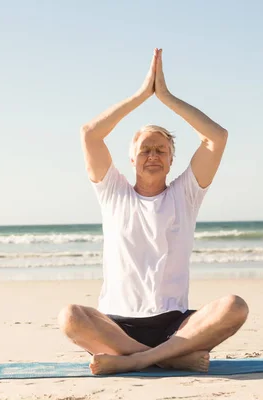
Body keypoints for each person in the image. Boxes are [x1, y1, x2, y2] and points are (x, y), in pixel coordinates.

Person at [58, 48, 249, 375]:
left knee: (234, 306)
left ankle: (140, 360)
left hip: (177, 326)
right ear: (131, 159)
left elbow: (216, 137)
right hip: (117, 325)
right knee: (70, 316)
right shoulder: (112, 192)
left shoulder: (186, 194)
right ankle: (168, 358)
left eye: (161, 150)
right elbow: (90, 133)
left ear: (172, 160)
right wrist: (141, 94)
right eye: (145, 149)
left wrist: (166, 97)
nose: (153, 155)